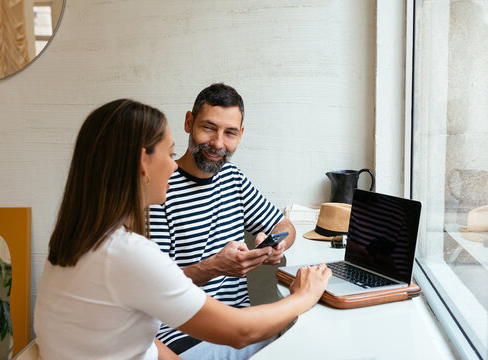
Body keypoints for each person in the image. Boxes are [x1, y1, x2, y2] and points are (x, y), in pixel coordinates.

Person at [34, 98, 331, 360]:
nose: (173, 166)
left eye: (229, 132)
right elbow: (239, 332)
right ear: (143, 162)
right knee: (301, 331)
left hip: (202, 330)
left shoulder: (79, 240)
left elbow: (139, 337)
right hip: (198, 333)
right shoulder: (126, 253)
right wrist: (304, 296)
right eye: (168, 153)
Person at [149, 83, 297, 358]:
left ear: (240, 135)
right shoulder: (159, 190)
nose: (218, 143)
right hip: (182, 340)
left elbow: (285, 226)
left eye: (229, 133)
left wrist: (279, 244)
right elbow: (157, 291)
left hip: (236, 328)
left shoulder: (233, 179)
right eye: (208, 128)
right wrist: (214, 267)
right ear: (188, 123)